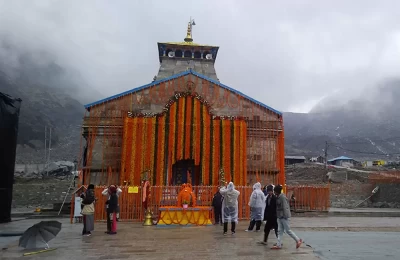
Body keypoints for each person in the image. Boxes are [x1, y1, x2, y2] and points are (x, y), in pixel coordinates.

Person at [271, 185, 303, 249]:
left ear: (277, 191)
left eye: (274, 191)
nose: (274, 192)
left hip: (284, 216)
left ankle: (298, 240)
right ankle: (278, 244)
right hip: (280, 216)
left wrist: (285, 216)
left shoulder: (282, 197)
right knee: (280, 231)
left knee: (288, 230)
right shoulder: (278, 197)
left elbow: (285, 207)